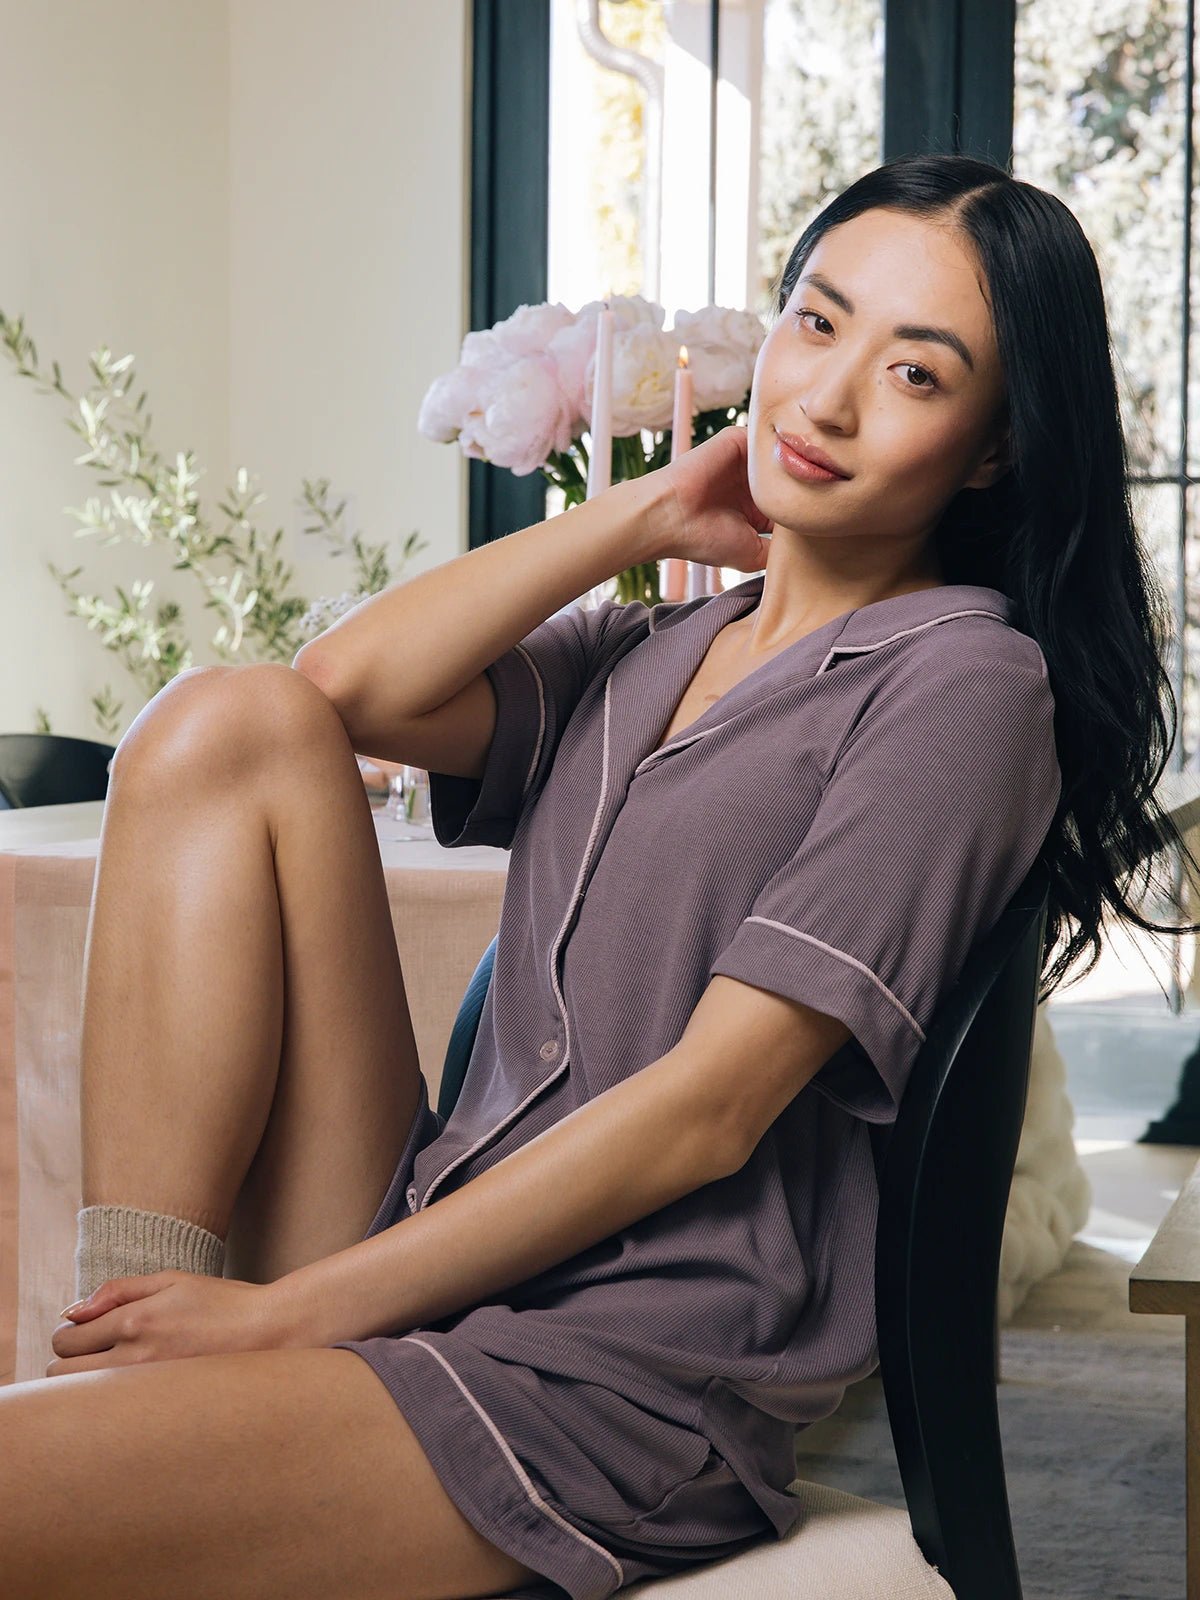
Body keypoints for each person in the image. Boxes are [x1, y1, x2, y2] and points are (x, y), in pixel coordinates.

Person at [4, 150, 1197, 1600]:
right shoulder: (659, 647)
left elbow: (708, 1113)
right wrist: (638, 517)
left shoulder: (966, 685)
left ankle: (135, 1395)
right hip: (424, 1247)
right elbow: (324, 693)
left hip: (614, 1376)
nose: (824, 397)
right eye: (815, 323)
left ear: (996, 447)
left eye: (918, 375)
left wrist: (283, 1320)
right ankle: (119, 1342)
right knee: (219, 721)